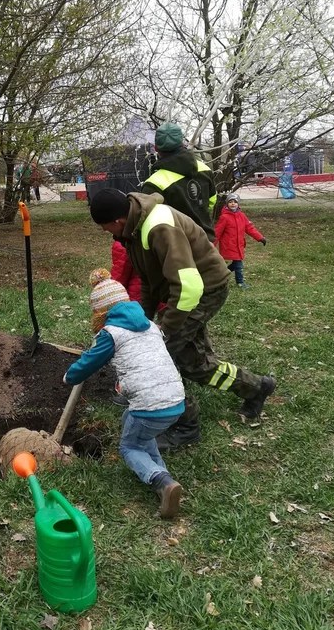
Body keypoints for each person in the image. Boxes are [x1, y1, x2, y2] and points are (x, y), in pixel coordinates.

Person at [88, 188, 276, 448]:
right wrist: (142, 322)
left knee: (162, 356)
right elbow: (150, 282)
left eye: (105, 228)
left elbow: (189, 287)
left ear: (117, 221)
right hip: (187, 290)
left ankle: (186, 426)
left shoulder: (158, 227)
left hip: (204, 290)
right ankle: (256, 387)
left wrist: (162, 333)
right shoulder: (134, 230)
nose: (107, 233)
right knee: (194, 363)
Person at [63, 268, 185, 519]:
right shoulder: (150, 325)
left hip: (151, 406)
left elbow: (90, 362)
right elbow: (147, 360)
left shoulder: (111, 333)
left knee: (129, 446)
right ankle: (163, 477)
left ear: (101, 313)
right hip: (176, 398)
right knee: (134, 426)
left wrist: (70, 376)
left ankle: (160, 482)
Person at [141, 122, 217, 240]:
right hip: (206, 242)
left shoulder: (154, 183)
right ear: (183, 143)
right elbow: (211, 201)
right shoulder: (205, 169)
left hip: (177, 248)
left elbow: (150, 221)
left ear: (156, 148)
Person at [214, 193, 266, 289]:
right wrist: (212, 245)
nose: (233, 204)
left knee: (236, 264)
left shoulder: (242, 216)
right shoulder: (224, 217)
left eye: (235, 202)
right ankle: (240, 282)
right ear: (226, 204)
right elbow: (217, 232)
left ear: (238, 204)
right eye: (230, 202)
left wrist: (260, 237)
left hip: (239, 245)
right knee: (238, 265)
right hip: (229, 245)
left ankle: (221, 275)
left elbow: (250, 228)